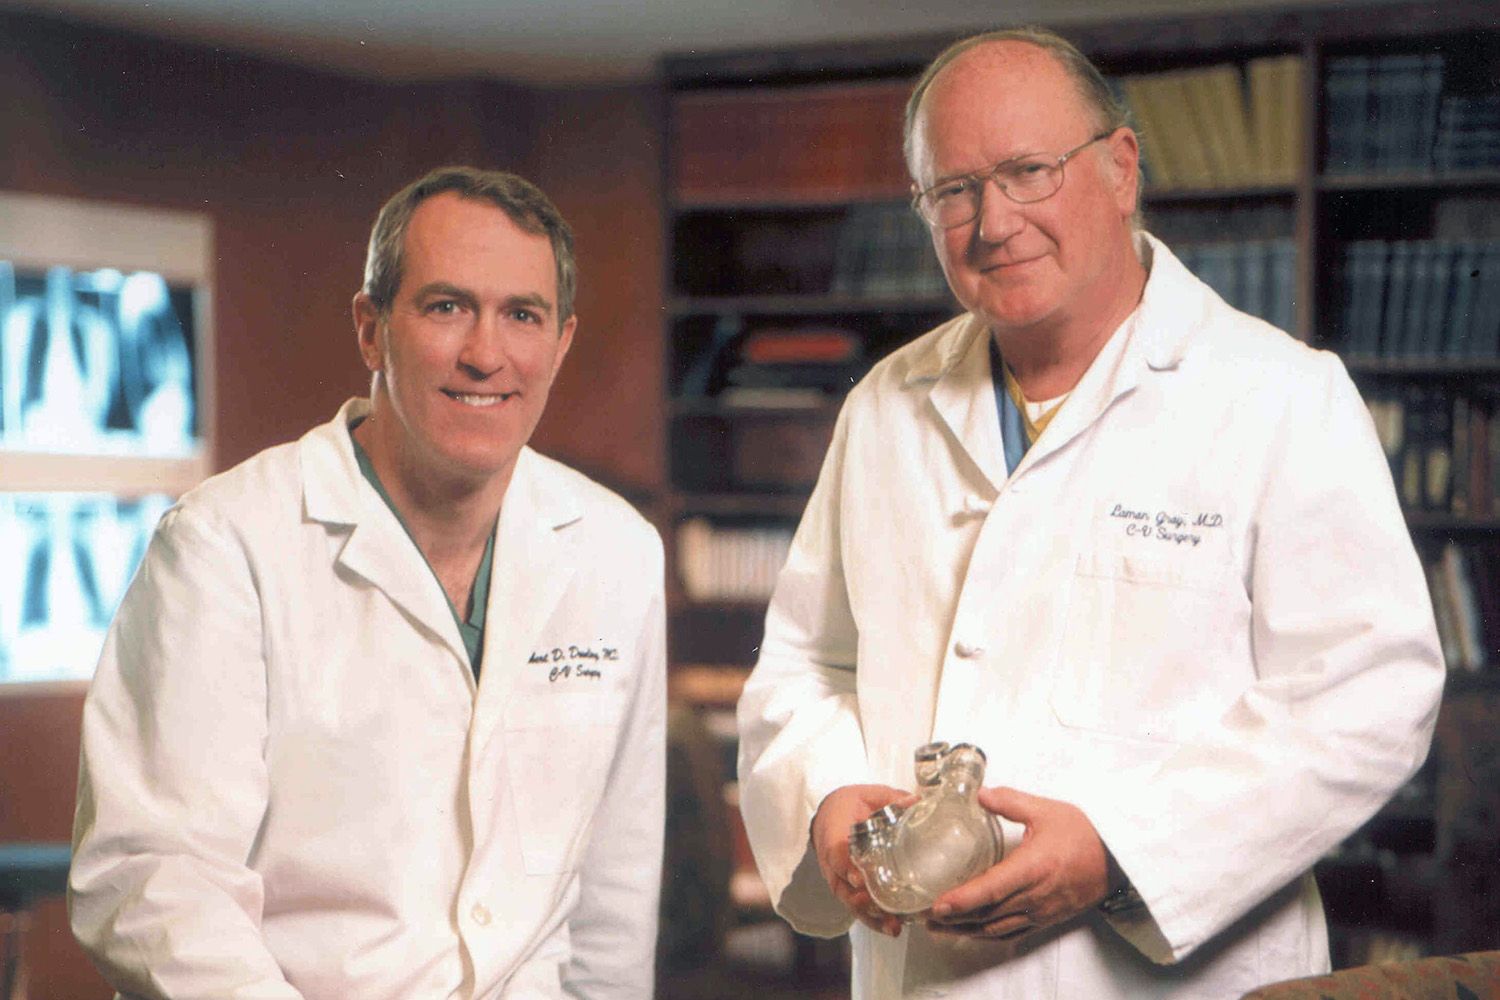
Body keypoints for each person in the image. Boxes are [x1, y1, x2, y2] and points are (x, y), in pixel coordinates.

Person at [736, 27, 1444, 1000]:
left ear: (1119, 169)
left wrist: (1124, 850)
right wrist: (826, 800)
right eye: (953, 190)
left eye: (1029, 171)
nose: (993, 222)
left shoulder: (1280, 396)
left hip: (1179, 975)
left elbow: (1368, 694)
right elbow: (807, 662)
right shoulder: (882, 408)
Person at [69, 166, 666, 999]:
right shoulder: (224, 546)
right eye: (446, 306)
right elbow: (153, 879)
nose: (486, 353)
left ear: (561, 342)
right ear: (370, 328)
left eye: (521, 316)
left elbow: (614, 890)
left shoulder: (618, 551)